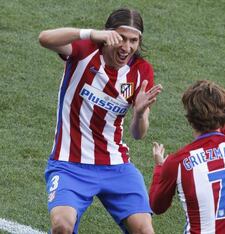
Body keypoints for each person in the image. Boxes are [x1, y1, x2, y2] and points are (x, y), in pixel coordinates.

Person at [38, 7, 162, 234]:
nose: (127, 47)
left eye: (133, 40)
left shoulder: (141, 71)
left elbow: (138, 134)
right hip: (69, 164)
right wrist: (90, 34)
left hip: (116, 165)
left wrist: (141, 113)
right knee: (62, 226)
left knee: (144, 230)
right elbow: (44, 38)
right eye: (121, 38)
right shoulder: (85, 50)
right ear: (109, 34)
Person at [149, 80, 225, 234]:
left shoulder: (177, 162)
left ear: (190, 118)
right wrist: (223, 126)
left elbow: (156, 206)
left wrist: (160, 167)